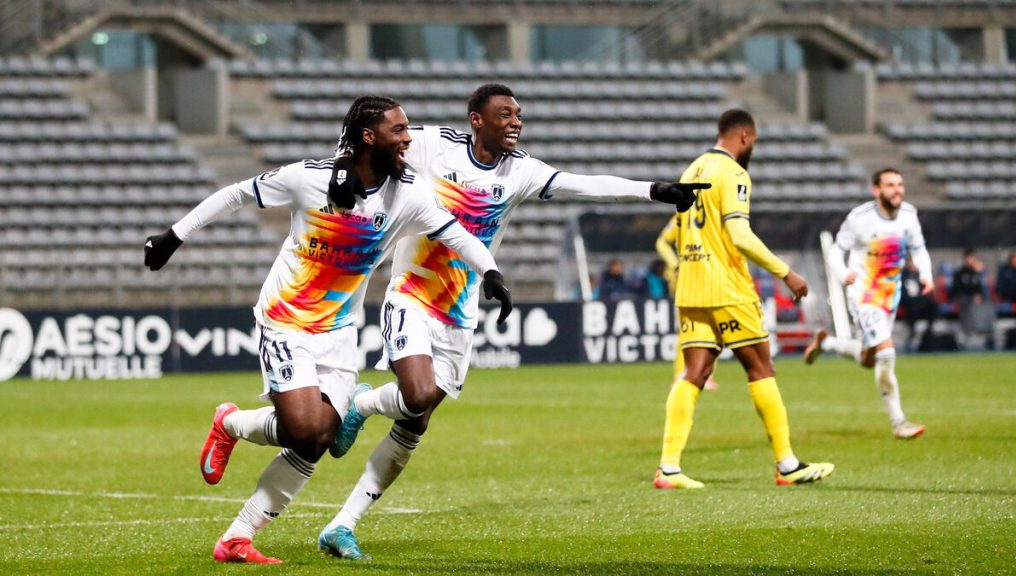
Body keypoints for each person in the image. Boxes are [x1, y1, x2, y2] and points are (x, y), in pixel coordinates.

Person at [226, 84, 707, 560]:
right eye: (505, 113)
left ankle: (342, 524)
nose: (516, 121)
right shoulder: (433, 145)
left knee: (417, 421)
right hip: (412, 294)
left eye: (519, 113)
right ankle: (362, 405)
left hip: (460, 313)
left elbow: (582, 182)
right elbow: (362, 141)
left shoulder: (521, 172)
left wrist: (653, 191)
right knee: (415, 395)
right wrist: (338, 175)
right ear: (477, 119)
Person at [143, 95, 512, 564]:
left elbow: (454, 233)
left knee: (319, 440)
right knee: (303, 430)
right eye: (398, 131)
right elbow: (236, 193)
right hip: (286, 322)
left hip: (339, 334)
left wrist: (491, 272)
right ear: (368, 137)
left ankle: (236, 536)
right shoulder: (310, 179)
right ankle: (230, 423)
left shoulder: (409, 194)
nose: (407, 139)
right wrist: (174, 236)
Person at [654, 108, 834, 490]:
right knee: (760, 368)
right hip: (727, 288)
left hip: (691, 287)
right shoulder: (734, 173)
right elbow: (739, 235)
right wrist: (786, 272)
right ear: (746, 137)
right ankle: (787, 465)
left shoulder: (692, 169)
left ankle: (669, 468)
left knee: (694, 373)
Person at [803, 167, 933, 440]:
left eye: (900, 184)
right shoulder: (859, 218)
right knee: (886, 352)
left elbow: (919, 248)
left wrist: (926, 275)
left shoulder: (909, 215)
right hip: (863, 295)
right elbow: (837, 252)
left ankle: (826, 343)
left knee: (868, 358)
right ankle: (899, 422)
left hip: (889, 296)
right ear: (877, 190)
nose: (897, 190)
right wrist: (843, 274)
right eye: (890, 185)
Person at [656, 215, 719, 392]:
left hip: (708, 276)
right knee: (687, 328)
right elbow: (661, 242)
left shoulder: (713, 213)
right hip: (686, 277)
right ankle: (681, 374)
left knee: (713, 329)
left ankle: (705, 375)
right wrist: (675, 265)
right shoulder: (683, 213)